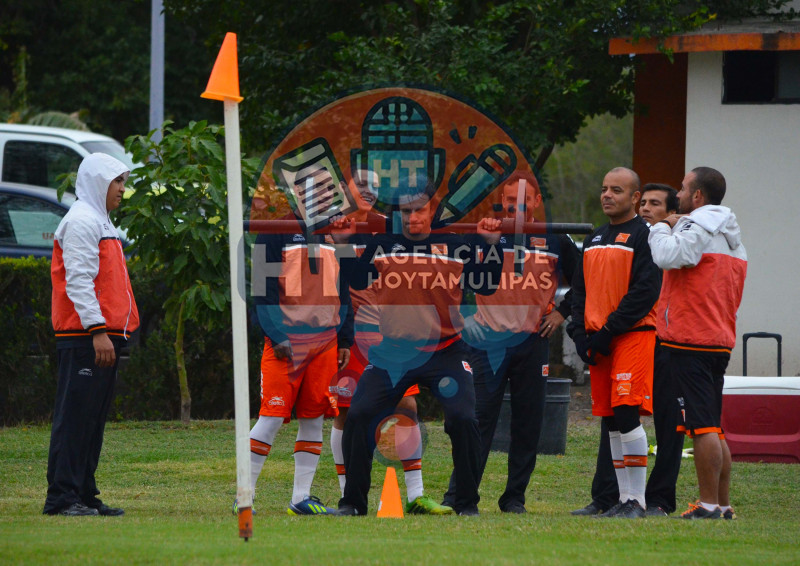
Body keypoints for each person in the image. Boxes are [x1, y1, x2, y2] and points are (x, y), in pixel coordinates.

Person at [336, 194, 503, 516]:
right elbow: (356, 280)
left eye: (419, 211)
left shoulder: (455, 245)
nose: (412, 217)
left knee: (464, 418)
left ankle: (466, 503)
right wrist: (344, 245)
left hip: (446, 350)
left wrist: (493, 245)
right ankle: (353, 504)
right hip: (393, 352)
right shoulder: (383, 244)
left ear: (433, 211)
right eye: (406, 211)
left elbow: (486, 285)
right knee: (358, 416)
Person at [440, 171, 580, 514]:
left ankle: (514, 498)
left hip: (532, 342)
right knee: (477, 420)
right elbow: (451, 274)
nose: (515, 206)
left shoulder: (556, 239)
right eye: (509, 200)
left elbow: (586, 284)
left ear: (536, 202)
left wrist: (561, 312)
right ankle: (460, 497)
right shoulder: (487, 232)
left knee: (528, 423)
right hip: (487, 343)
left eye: (523, 200)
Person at [330, 170, 449, 514]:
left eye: (375, 186)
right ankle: (347, 495)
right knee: (346, 413)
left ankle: (415, 495)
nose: (370, 190)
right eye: (361, 184)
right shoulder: (327, 227)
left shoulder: (387, 225)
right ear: (344, 188)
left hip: (387, 334)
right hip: (348, 334)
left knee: (408, 407)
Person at [246, 168, 353, 515]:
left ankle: (299, 499)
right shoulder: (275, 228)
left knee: (314, 418)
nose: (322, 194)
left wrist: (345, 337)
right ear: (298, 191)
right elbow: (260, 290)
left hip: (325, 343)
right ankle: (244, 495)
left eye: (328, 188)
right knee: (272, 416)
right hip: (286, 341)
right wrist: (276, 335)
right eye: (314, 187)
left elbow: (346, 287)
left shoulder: (336, 232)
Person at [571, 181, 679, 517]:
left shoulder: (645, 236)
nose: (606, 194)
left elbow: (645, 291)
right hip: (599, 339)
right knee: (613, 419)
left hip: (633, 334)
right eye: (603, 188)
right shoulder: (594, 238)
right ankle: (622, 498)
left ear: (633, 198)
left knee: (628, 411)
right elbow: (579, 290)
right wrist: (578, 333)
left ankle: (638, 501)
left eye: (616, 189)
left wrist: (607, 331)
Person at [648, 167, 746, 520]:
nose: (678, 193)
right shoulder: (732, 236)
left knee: (701, 426)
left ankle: (706, 506)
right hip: (718, 338)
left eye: (683, 187)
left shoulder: (695, 224)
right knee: (714, 426)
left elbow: (670, 257)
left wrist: (661, 227)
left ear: (698, 197)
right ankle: (721, 504)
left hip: (690, 339)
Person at [44, 153, 139, 516]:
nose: (122, 189)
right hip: (86, 337)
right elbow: (78, 281)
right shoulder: (83, 221)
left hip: (100, 336)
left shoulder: (100, 221)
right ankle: (62, 498)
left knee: (92, 421)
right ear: (99, 181)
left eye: (123, 181)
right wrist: (97, 331)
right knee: (75, 418)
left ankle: (84, 494)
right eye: (117, 181)